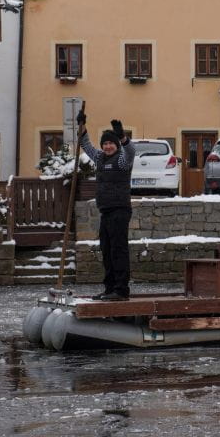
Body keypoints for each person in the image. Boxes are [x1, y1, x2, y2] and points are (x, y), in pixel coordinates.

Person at [77, 108, 135, 301]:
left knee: (119, 250)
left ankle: (121, 290)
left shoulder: (122, 161)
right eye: (105, 143)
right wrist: (82, 125)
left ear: (116, 145)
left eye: (111, 143)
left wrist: (123, 137)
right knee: (107, 251)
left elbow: (131, 151)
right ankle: (110, 288)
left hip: (120, 210)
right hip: (106, 211)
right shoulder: (100, 158)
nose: (108, 146)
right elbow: (86, 145)